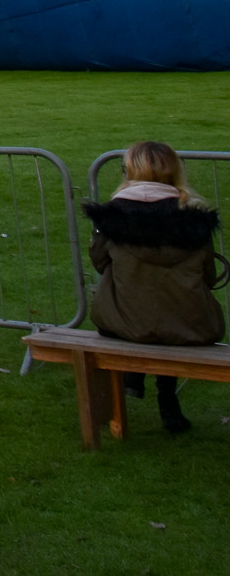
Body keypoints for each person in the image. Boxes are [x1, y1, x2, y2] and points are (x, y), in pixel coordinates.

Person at [83, 141, 225, 434]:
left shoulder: (111, 218)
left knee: (136, 310)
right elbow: (209, 276)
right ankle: (166, 396)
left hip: (126, 322)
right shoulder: (195, 220)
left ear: (129, 170)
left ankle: (134, 376)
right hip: (189, 324)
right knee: (170, 317)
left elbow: (99, 262)